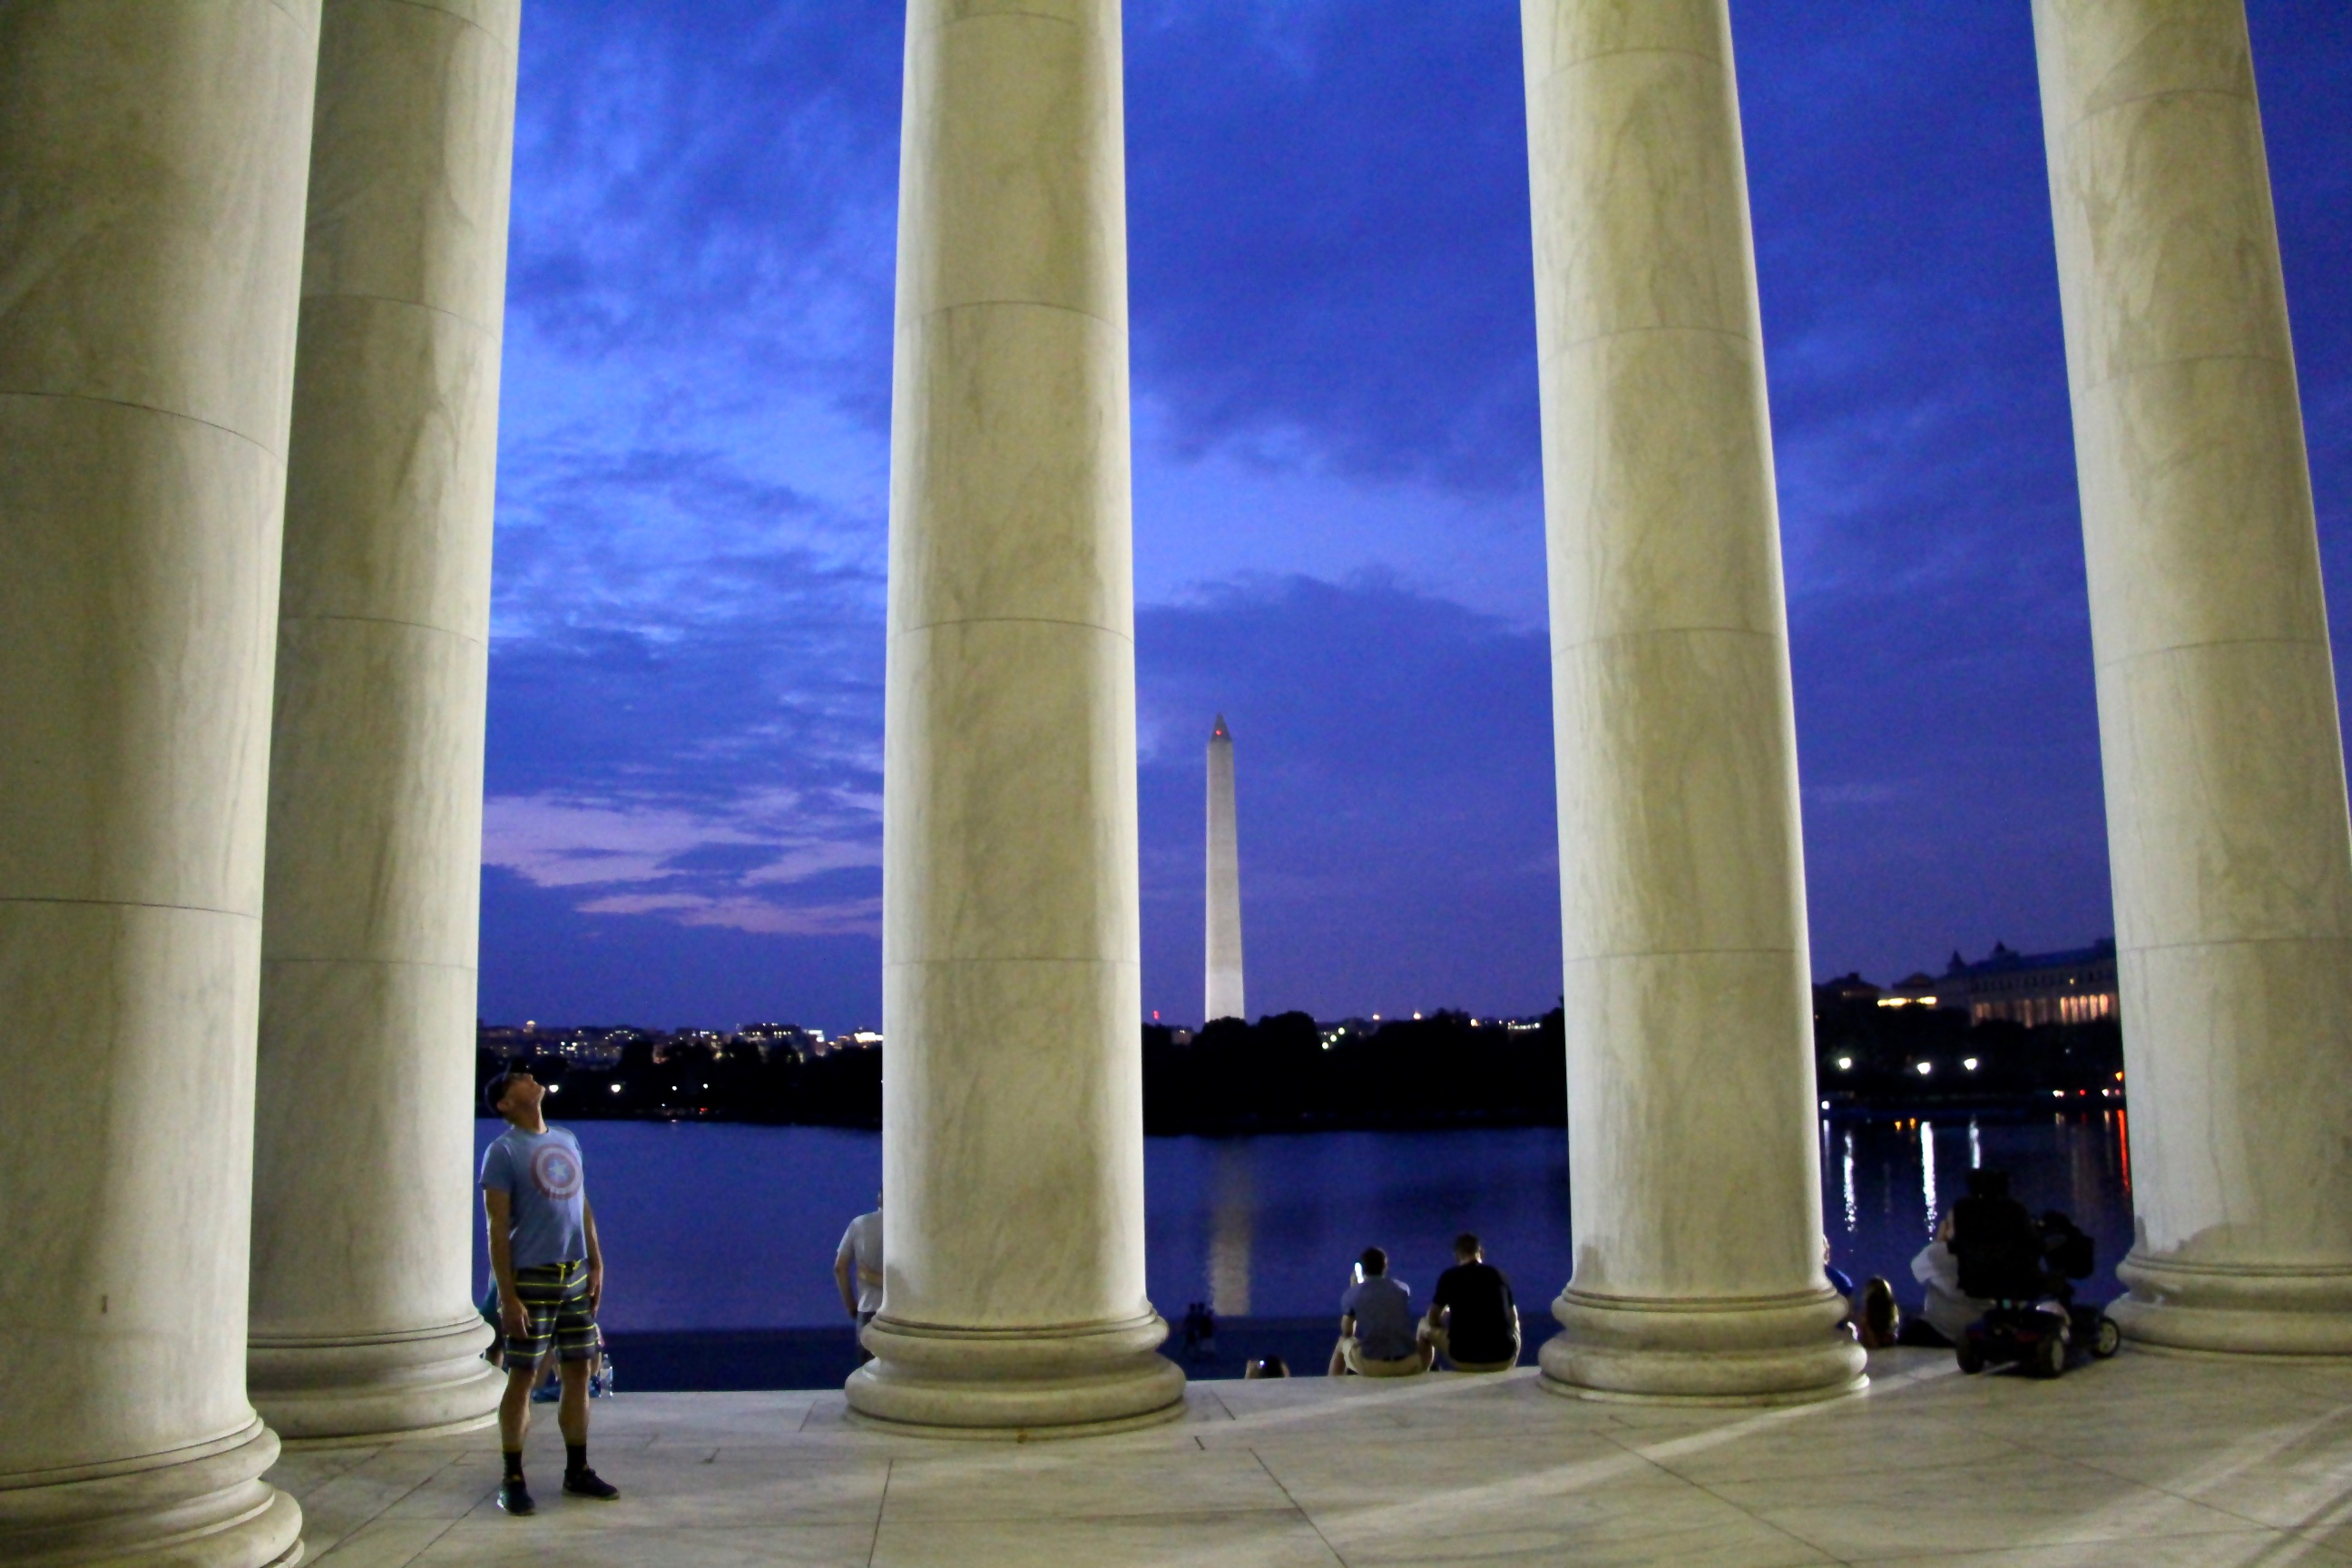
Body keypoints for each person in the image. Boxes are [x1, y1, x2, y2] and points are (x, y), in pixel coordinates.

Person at [481, 1063, 619, 1516]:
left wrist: (596, 1261)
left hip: (574, 1274)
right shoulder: (502, 1152)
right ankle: (512, 1475)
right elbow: (497, 1228)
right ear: (505, 1103)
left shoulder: (567, 1139)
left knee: (578, 1371)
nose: (530, 1076)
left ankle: (577, 1468)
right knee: (522, 1377)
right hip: (532, 1275)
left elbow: (582, 1204)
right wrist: (508, 1295)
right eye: (518, 1076)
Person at [1421, 1233, 1520, 1372]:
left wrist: (1445, 1326)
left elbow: (1432, 1317)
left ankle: (1424, 1371)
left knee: (1423, 1325)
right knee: (1515, 1323)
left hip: (1464, 1359)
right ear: (1482, 1253)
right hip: (1503, 1359)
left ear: (1456, 1255)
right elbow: (1512, 1316)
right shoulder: (1499, 1275)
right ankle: (1509, 1365)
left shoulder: (1449, 1277)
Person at [1328, 1247, 1432, 1377]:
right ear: (1385, 1266)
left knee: (1343, 1341)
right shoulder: (1403, 1289)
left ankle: (1334, 1386)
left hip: (1374, 1367)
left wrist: (1355, 1288)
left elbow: (1347, 1332)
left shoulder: (1352, 1293)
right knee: (1424, 1327)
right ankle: (1424, 1371)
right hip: (1408, 1364)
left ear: (1362, 1269)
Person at [1907, 1210, 1991, 1345]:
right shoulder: (1993, 1254)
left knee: (1908, 1327)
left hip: (1943, 1331)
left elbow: (1916, 1268)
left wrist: (1939, 1241)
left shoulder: (1942, 1253)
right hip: (1983, 1328)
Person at [835, 1194, 882, 1362]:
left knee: (868, 1377)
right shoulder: (909, 1227)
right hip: (902, 1312)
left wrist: (851, 1306)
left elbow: (840, 1268)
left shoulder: (859, 1224)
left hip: (868, 1310)